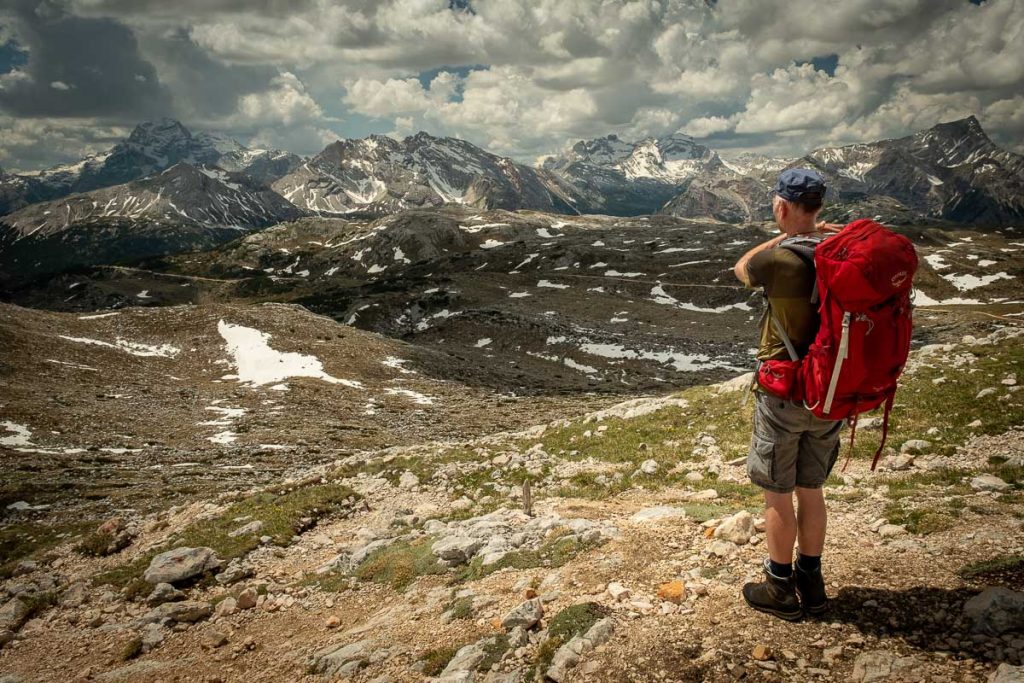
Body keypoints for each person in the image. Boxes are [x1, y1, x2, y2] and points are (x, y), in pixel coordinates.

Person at [731, 168, 843, 621]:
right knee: (810, 489)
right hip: (832, 390)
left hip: (785, 392)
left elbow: (741, 269)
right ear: (818, 207)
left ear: (781, 206)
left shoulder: (779, 260)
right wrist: (817, 233)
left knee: (778, 493)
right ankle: (812, 583)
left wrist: (780, 238)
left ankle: (780, 588)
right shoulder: (838, 251)